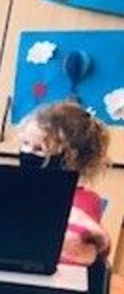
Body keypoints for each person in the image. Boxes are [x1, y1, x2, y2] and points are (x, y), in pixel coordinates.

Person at [17, 100, 112, 267]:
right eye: (25, 144)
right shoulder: (17, 190)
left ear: (70, 159)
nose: (27, 153)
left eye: (39, 149)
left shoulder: (83, 201)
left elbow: (73, 249)